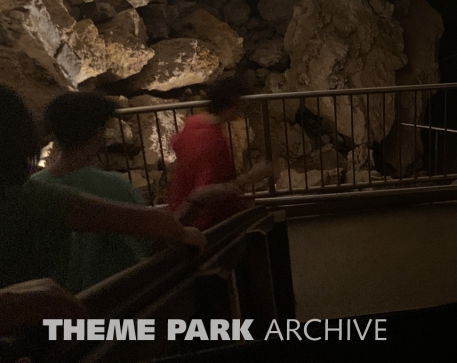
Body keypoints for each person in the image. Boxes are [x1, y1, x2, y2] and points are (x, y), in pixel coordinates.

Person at [0, 86, 205, 335]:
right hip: (65, 323)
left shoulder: (41, 185)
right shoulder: (31, 197)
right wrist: (185, 233)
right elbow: (150, 225)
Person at [32, 93, 153, 293]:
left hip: (52, 302)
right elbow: (147, 241)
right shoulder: (115, 187)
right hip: (113, 296)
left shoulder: (34, 186)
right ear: (98, 133)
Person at [167, 77, 271, 230]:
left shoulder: (193, 123)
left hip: (181, 210)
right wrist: (251, 177)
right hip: (206, 224)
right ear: (233, 103)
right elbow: (204, 192)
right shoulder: (213, 140)